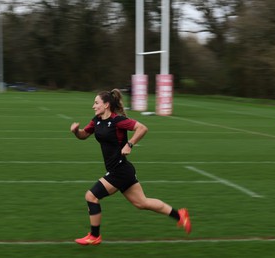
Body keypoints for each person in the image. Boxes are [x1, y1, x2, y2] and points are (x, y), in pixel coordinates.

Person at [70, 88, 191, 246]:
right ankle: (180, 215)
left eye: (96, 103)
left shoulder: (118, 121)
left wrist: (129, 144)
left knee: (91, 196)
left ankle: (94, 236)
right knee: (142, 203)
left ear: (106, 105)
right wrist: (76, 131)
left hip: (119, 171)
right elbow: (84, 134)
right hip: (122, 171)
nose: (93, 106)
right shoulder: (97, 120)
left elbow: (142, 128)